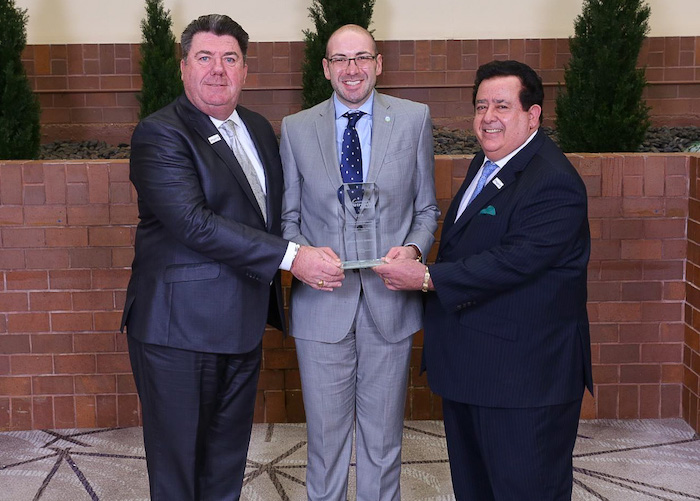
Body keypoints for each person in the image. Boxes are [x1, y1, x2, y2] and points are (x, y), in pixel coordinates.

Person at [120, 14, 343, 501]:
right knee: (180, 469)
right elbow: (194, 223)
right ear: (183, 68)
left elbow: (275, 212)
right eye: (205, 57)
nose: (217, 69)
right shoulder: (160, 134)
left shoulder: (261, 129)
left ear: (245, 69)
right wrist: (293, 257)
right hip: (177, 333)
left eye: (230, 59)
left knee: (225, 464)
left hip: (240, 326)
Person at [374, 59, 594, 500]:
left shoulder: (554, 182)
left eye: (501, 106)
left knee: (525, 489)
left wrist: (426, 277)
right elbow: (467, 244)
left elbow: (512, 262)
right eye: (480, 106)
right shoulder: (487, 160)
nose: (488, 118)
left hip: (523, 382)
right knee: (476, 490)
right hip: (474, 370)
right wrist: (416, 253)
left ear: (533, 115)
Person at [280, 24, 440, 501]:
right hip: (321, 306)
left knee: (383, 440)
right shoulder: (295, 128)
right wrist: (302, 257)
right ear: (326, 69)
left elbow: (427, 209)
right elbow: (287, 220)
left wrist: (412, 251)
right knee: (325, 443)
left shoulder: (413, 119)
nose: (352, 69)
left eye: (362, 57)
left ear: (378, 63)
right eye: (341, 60)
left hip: (389, 305)